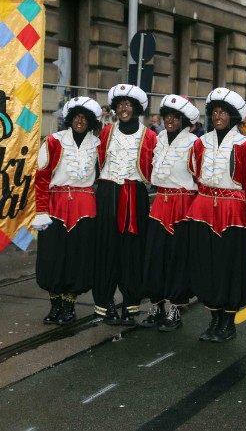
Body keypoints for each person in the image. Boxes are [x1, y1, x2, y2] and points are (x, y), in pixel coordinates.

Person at [187, 87, 246, 343]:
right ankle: (214, 317)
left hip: (232, 211)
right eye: (215, 112)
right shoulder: (199, 143)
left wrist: (232, 202)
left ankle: (228, 321)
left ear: (233, 117)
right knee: (207, 263)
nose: (218, 116)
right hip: (203, 209)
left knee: (229, 265)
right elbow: (196, 175)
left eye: (223, 113)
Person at [33, 97, 102, 325]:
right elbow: (41, 178)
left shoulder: (98, 145)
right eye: (76, 117)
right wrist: (41, 210)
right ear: (70, 119)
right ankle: (55, 304)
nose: (80, 121)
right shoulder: (54, 141)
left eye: (85, 118)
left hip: (85, 207)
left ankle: (70, 304)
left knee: (78, 256)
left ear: (91, 121)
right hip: (56, 205)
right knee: (53, 255)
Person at [93, 84, 158, 324]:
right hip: (108, 193)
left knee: (132, 251)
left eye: (128, 105)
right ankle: (105, 304)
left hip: (135, 194)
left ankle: (130, 306)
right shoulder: (106, 132)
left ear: (136, 108)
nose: (123, 109)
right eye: (120, 105)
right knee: (106, 250)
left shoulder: (149, 136)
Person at [140, 95, 200, 332]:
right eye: (167, 116)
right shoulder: (158, 139)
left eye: (175, 117)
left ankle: (175, 309)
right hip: (160, 205)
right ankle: (156, 306)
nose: (170, 121)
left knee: (178, 259)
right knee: (155, 256)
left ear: (183, 119)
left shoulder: (194, 142)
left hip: (183, 205)